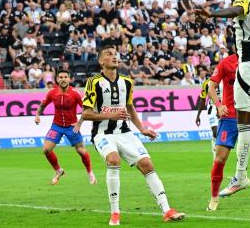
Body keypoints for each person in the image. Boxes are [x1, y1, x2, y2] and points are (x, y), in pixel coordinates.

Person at [81, 45, 185, 225]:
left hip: (125, 132)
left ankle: (167, 210)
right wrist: (110, 115)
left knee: (147, 164)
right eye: (108, 54)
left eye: (115, 54)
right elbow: (85, 114)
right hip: (102, 134)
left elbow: (130, 107)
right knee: (113, 160)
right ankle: (115, 213)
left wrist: (142, 128)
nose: (114, 57)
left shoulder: (127, 82)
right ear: (101, 61)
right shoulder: (94, 82)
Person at [193, 0, 250, 199]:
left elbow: (235, 10)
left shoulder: (245, 2)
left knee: (244, 123)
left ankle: (240, 176)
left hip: (247, 67)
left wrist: (211, 14)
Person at [34, 70, 95, 185]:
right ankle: (58, 170)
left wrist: (79, 123)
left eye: (65, 77)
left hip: (72, 126)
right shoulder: (52, 93)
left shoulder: (75, 94)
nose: (63, 79)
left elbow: (87, 109)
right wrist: (37, 115)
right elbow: (42, 105)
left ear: (69, 79)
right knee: (46, 149)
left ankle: (90, 173)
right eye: (61, 77)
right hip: (56, 125)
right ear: (57, 79)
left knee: (81, 151)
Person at [195, 78, 221, 159]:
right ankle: (215, 156)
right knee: (215, 131)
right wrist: (198, 115)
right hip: (212, 107)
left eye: (215, 68)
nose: (213, 71)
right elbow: (202, 100)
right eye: (211, 69)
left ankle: (218, 146)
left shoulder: (224, 80)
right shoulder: (206, 83)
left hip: (224, 106)